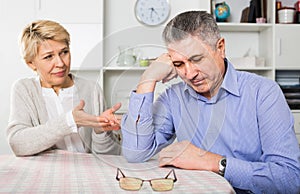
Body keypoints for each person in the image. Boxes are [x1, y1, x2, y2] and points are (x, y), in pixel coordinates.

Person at [121, 11, 300, 193]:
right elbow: (135, 153)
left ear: (220, 48)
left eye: (197, 59)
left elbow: (289, 179)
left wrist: (212, 161)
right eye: (179, 64)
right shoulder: (173, 98)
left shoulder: (263, 93)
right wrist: (148, 78)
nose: (190, 74)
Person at [7, 20, 121, 156]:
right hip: (45, 174)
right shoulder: (24, 89)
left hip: (88, 172)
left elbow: (108, 155)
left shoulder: (92, 89)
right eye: (49, 57)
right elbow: (18, 145)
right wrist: (70, 121)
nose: (60, 63)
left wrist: (101, 131)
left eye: (64, 52)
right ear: (31, 64)